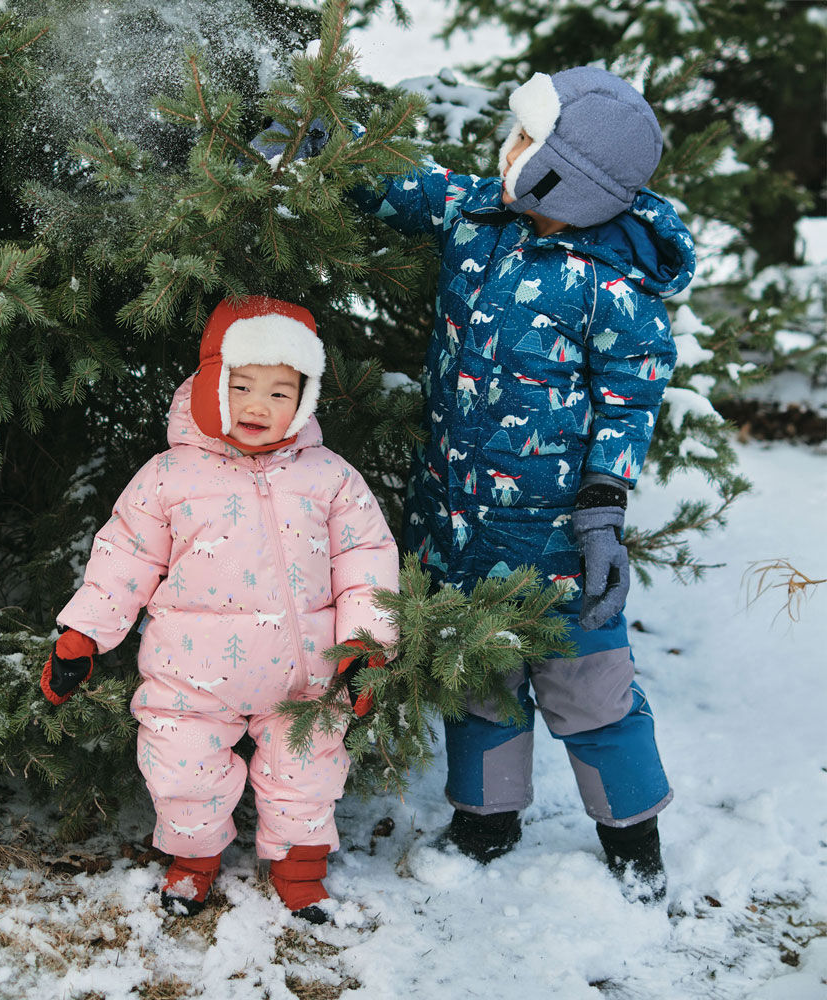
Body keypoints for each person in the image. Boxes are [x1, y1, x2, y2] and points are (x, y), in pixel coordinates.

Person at [343, 66, 696, 902]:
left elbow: (629, 399)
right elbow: (408, 188)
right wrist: (329, 155)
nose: (507, 149)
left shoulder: (613, 282)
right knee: (477, 679)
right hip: (459, 522)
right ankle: (486, 820)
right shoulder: (478, 215)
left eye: (526, 140)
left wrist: (604, 509)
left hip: (561, 545)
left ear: (561, 174)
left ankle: (632, 838)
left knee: (593, 691)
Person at [40, 296, 399, 923]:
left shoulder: (330, 477)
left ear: (306, 398)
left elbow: (365, 561)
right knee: (180, 771)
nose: (260, 407)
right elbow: (123, 558)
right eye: (242, 387)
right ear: (213, 384)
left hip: (306, 681)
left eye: (282, 393)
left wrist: (367, 646)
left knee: (308, 772)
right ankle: (193, 862)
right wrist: (83, 637)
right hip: (190, 679)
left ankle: (301, 869)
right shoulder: (168, 476)